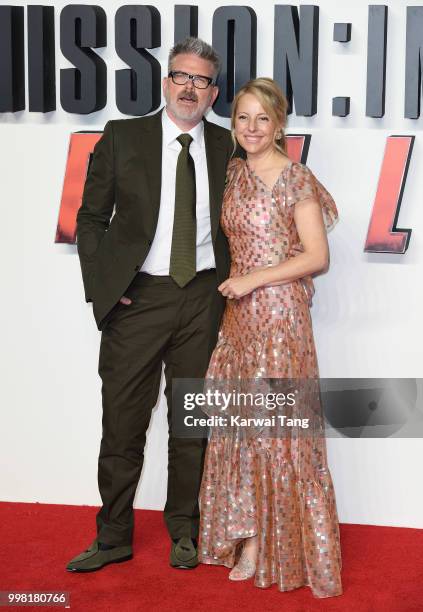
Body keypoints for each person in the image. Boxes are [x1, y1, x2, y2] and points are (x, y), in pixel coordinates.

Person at [66, 37, 234, 572]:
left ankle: (185, 530)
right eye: (181, 76)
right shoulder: (122, 137)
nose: (190, 87)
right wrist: (107, 288)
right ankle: (113, 536)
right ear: (165, 83)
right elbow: (90, 220)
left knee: (192, 424)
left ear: (214, 92)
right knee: (122, 422)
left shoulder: (230, 147)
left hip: (204, 298)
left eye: (201, 80)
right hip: (138, 298)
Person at [198, 78, 343, 598]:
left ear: (279, 124)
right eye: (243, 118)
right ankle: (247, 533)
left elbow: (316, 257)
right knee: (242, 428)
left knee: (275, 433)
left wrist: (254, 279)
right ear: (233, 124)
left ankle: (269, 544)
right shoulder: (234, 172)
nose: (252, 128)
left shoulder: (295, 178)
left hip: (280, 319)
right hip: (240, 319)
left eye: (262, 119)